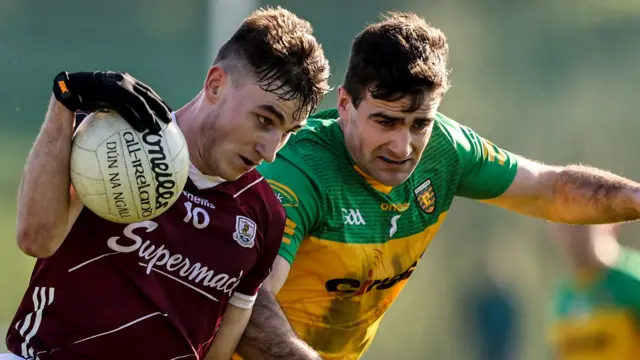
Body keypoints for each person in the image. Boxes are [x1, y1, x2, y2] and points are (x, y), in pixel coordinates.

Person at [233, 11, 640, 360]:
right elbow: (248, 303)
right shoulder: (297, 170)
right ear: (345, 105)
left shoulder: (445, 149)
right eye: (385, 121)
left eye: (419, 124)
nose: (402, 145)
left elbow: (552, 190)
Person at [4, 6, 330, 360]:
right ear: (216, 84)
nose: (270, 152)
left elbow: (216, 355)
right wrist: (64, 103)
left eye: (286, 133)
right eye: (265, 119)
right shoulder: (109, 139)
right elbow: (36, 238)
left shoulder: (264, 215)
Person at [546, 224, 640, 360]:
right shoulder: (563, 298)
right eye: (562, 223)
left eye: (581, 223)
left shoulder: (634, 281)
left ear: (610, 224)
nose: (571, 232)